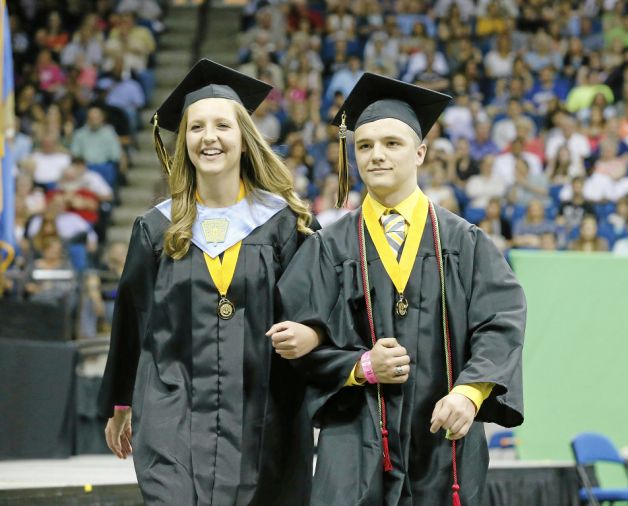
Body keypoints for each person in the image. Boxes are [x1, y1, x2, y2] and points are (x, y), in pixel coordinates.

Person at [275, 73, 526, 506]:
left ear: (420, 153)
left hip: (443, 435)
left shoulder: (464, 242)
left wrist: (471, 393)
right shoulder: (327, 247)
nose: (377, 155)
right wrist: (359, 367)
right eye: (365, 145)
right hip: (356, 437)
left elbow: (500, 323)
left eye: (392, 143)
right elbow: (298, 347)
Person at [97, 59, 317, 505]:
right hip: (171, 406)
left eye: (222, 126)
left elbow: (313, 308)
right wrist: (121, 403)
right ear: (184, 142)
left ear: (244, 138)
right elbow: (132, 319)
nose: (209, 137)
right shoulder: (156, 228)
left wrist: (313, 335)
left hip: (260, 405)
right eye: (196, 128)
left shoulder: (282, 225)